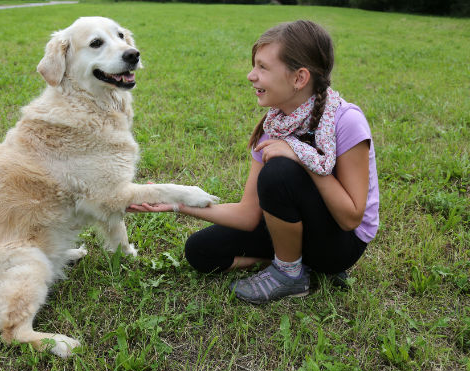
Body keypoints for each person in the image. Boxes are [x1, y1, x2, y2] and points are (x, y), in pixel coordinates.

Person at [128, 20, 379, 304]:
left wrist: (301, 155)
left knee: (279, 171)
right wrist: (176, 204)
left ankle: (289, 275)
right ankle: (293, 260)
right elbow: (248, 215)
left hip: (338, 244)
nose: (251, 76)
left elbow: (351, 218)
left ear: (299, 78)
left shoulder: (346, 121)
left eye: (262, 67)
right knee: (201, 251)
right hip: (293, 228)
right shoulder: (276, 126)